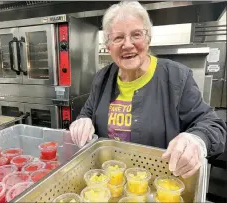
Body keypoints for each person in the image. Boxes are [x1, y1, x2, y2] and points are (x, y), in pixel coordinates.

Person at [70, 1, 226, 178]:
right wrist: (83, 120)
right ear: (108, 45)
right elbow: (88, 112)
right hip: (110, 181)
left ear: (148, 38)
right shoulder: (102, 78)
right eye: (118, 38)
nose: (127, 45)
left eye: (136, 34)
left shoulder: (176, 77)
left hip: (158, 184)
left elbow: (213, 125)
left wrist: (197, 140)